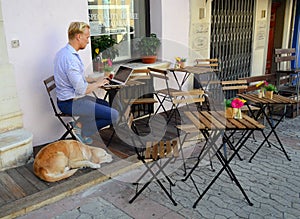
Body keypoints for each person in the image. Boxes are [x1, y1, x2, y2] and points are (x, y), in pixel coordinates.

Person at [54, 21, 119, 144]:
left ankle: (78, 125)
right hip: (70, 103)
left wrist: (95, 79)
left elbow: (77, 78)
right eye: (87, 37)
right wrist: (98, 84)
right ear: (79, 37)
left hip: (69, 99)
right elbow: (81, 90)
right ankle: (82, 131)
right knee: (114, 115)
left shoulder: (64, 53)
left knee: (104, 104)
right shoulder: (70, 59)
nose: (88, 41)